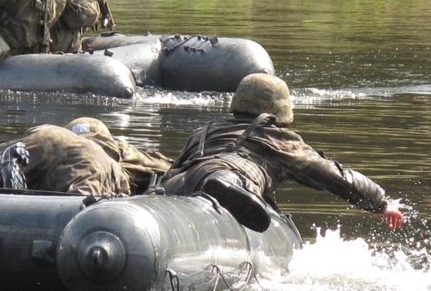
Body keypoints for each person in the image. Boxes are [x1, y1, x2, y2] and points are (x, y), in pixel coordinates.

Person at [160, 73, 405, 232]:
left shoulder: (207, 129)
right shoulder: (279, 138)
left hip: (182, 180)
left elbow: (175, 166)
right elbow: (333, 175)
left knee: (193, 178)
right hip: (232, 173)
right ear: (281, 109)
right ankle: (223, 184)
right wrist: (380, 203)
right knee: (233, 175)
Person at [0, 117, 172, 196]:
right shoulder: (119, 150)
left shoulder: (61, 135)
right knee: (77, 211)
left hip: (47, 136)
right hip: (96, 168)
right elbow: (171, 171)